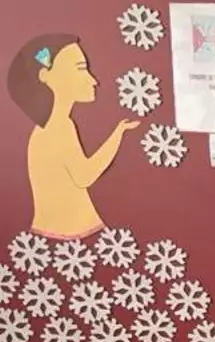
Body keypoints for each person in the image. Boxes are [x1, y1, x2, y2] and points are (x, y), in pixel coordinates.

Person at [7, 34, 141, 237]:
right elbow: (84, 176)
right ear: (46, 76)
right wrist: (118, 134)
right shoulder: (58, 127)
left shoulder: (52, 126)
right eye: (80, 69)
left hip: (64, 232)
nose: (93, 80)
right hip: (68, 233)